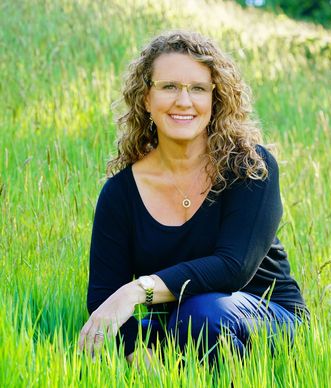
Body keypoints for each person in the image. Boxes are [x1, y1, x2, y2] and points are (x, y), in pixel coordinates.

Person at [78, 30, 309, 367]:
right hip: (181, 324)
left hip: (266, 318)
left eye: (198, 89)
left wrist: (137, 290)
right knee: (110, 336)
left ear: (215, 100)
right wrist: (137, 357)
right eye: (169, 87)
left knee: (201, 314)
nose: (184, 101)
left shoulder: (250, 168)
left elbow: (233, 267)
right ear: (145, 98)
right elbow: (103, 294)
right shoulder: (120, 194)